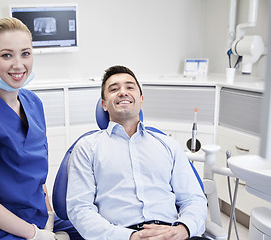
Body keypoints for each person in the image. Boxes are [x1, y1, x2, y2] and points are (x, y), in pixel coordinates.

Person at [0, 17, 81, 240]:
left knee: (97, 231)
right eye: (6, 55)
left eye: (25, 53)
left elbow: (37, 175)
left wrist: (48, 216)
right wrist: (35, 235)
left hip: (35, 215)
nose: (18, 65)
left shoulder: (33, 103)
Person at [66, 65, 209, 240]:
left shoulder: (168, 145)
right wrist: (130, 237)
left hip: (172, 233)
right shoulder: (87, 148)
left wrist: (183, 230)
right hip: (119, 235)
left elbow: (194, 199)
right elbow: (80, 209)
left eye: (130, 87)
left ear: (141, 100)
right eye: (114, 89)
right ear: (104, 104)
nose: (122, 92)